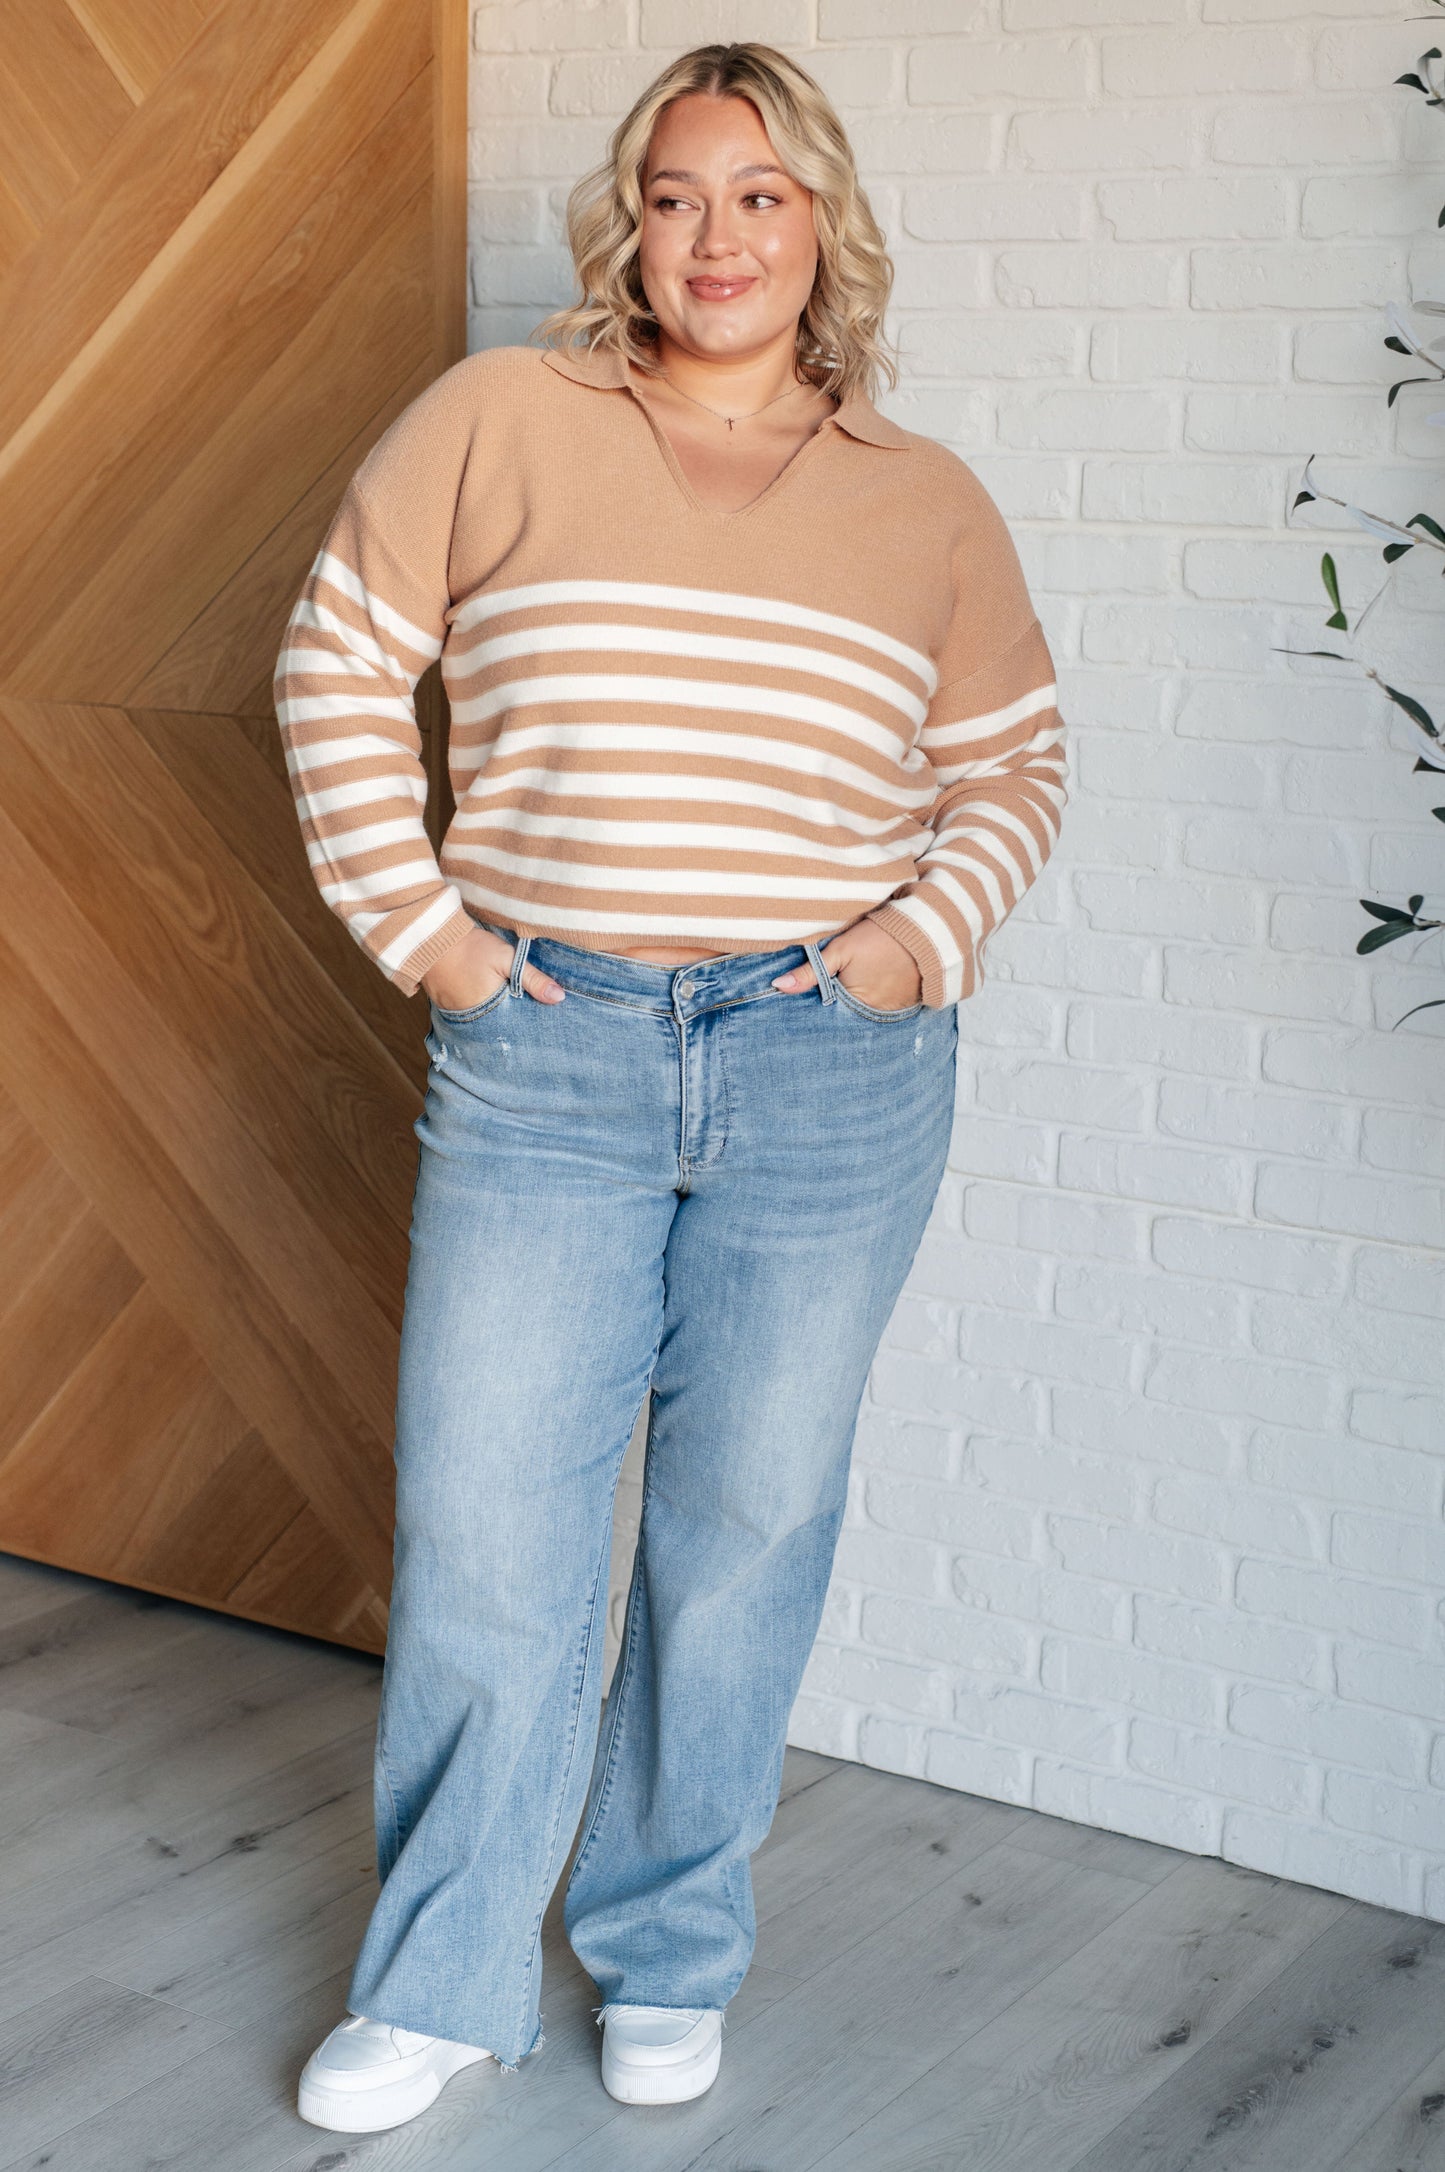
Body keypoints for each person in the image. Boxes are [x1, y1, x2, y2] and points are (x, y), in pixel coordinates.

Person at [274, 40, 1067, 2136]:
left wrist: (920, 941)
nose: (716, 240)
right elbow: (339, 659)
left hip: (832, 1068)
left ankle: (668, 1941)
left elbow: (1011, 766)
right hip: (554, 1051)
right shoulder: (499, 420)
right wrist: (435, 940)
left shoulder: (926, 499)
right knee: (484, 1526)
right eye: (678, 194)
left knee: (742, 1532)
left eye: (761, 197)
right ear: (628, 221)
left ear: (825, 231)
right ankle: (443, 1977)